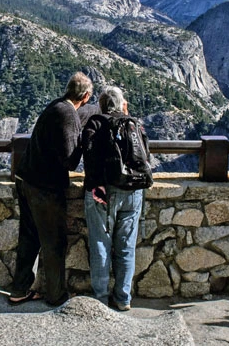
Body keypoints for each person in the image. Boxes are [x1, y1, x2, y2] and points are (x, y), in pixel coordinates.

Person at [8, 71, 93, 307]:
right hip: (44, 187)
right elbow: (70, 162)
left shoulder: (58, 106)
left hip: (26, 178)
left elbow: (80, 114)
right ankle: (56, 295)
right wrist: (85, 142)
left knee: (29, 238)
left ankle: (19, 290)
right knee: (54, 241)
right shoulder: (67, 114)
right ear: (85, 96)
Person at [81, 85, 149, 312]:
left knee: (100, 243)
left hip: (104, 192)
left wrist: (95, 186)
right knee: (126, 246)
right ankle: (123, 298)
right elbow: (146, 156)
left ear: (100, 105)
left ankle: (100, 299)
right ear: (122, 104)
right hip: (133, 191)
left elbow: (89, 158)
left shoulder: (96, 123)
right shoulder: (135, 124)